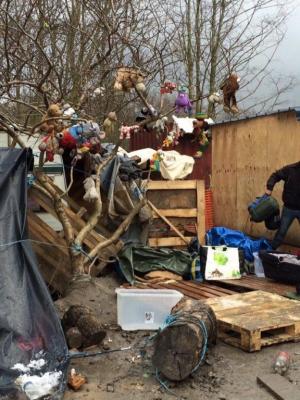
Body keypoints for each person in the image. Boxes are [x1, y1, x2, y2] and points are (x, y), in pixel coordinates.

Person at [265, 161, 300, 249]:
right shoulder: (291, 169)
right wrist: (269, 188)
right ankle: (270, 252)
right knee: (281, 232)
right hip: (289, 209)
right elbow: (275, 175)